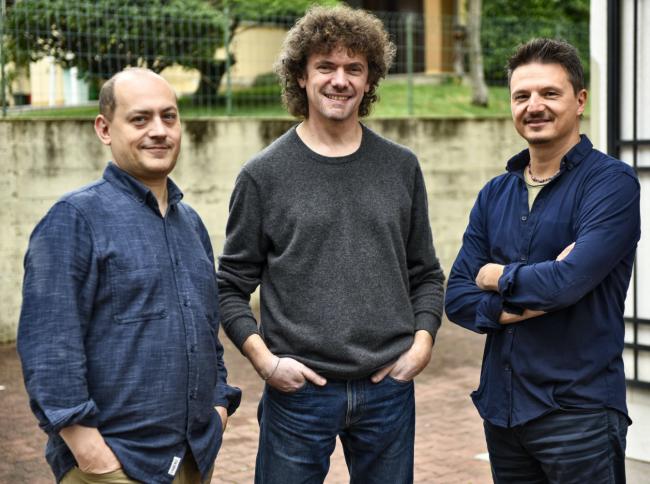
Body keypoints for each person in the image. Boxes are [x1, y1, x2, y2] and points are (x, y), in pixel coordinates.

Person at [216, 5, 445, 484]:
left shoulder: (401, 167)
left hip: (388, 390)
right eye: (326, 66)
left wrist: (422, 344)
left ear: (369, 79)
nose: (340, 80)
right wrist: (265, 362)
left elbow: (425, 273)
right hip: (298, 394)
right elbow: (230, 286)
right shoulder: (263, 176)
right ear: (301, 76)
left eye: (353, 68)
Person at [17, 68, 241, 484]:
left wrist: (218, 407)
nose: (159, 131)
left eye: (169, 117)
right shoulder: (74, 219)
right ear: (104, 129)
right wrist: (90, 451)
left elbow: (207, 331)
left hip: (194, 457)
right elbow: (50, 346)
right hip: (115, 465)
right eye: (140, 119)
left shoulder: (190, 224)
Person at [445, 38, 640, 483]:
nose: (534, 106)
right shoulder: (495, 194)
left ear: (580, 100)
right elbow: (456, 298)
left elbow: (566, 284)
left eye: (549, 93)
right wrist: (541, 289)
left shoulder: (611, 184)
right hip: (503, 411)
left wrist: (495, 276)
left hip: (579, 414)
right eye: (522, 96)